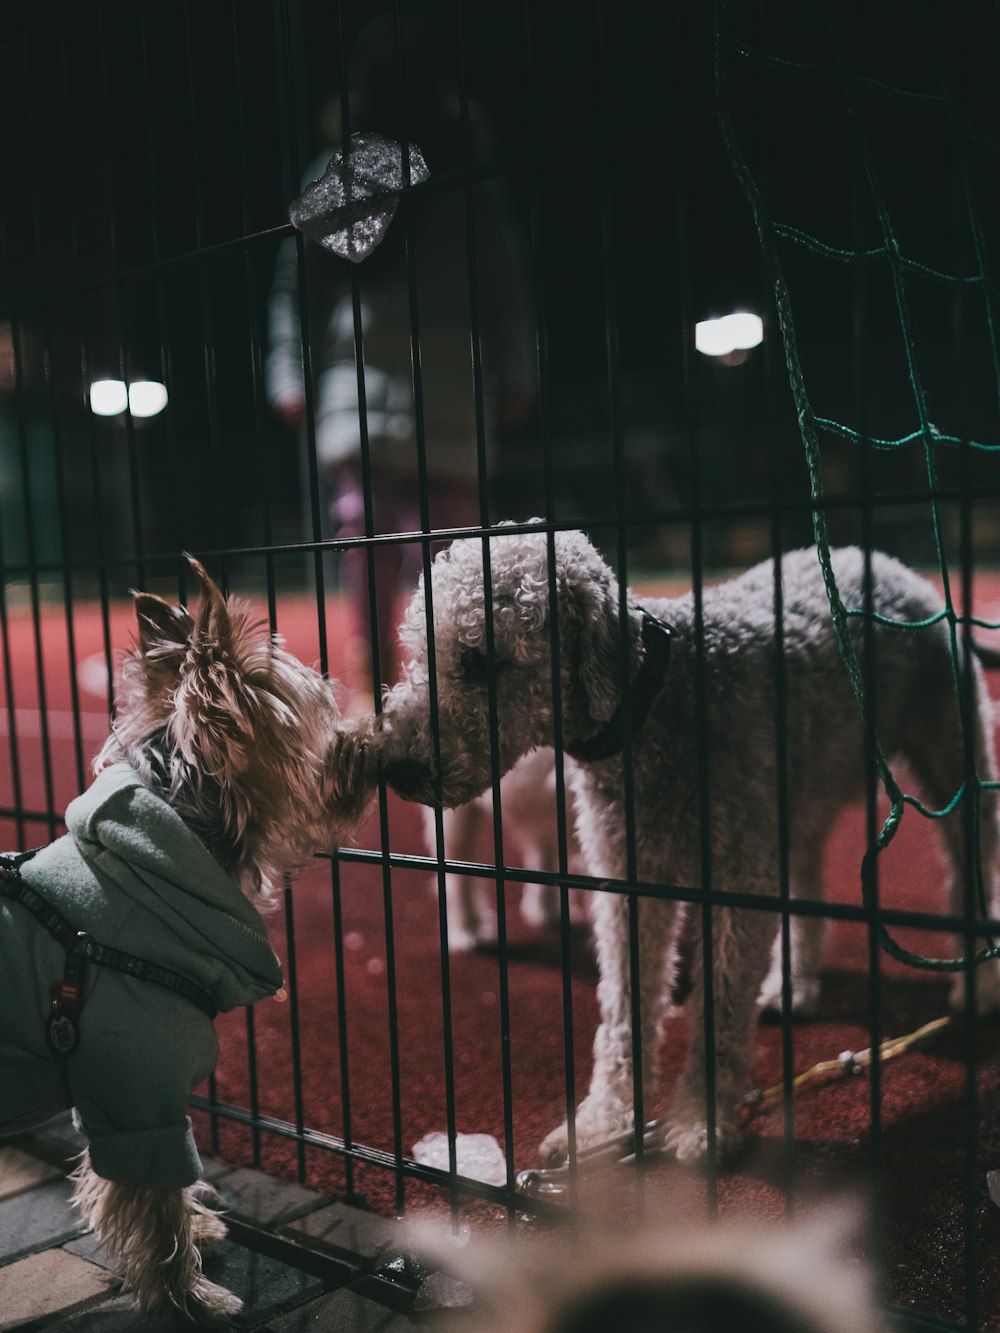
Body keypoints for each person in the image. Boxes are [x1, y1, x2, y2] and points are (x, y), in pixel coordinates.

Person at [267, 11, 536, 686]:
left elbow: (505, 287)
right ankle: (379, 676)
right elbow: (296, 289)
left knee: (448, 553)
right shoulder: (345, 176)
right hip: (360, 386)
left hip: (448, 386)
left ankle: (447, 678)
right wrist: (287, 371)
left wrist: (515, 370)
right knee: (367, 542)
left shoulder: (468, 181)